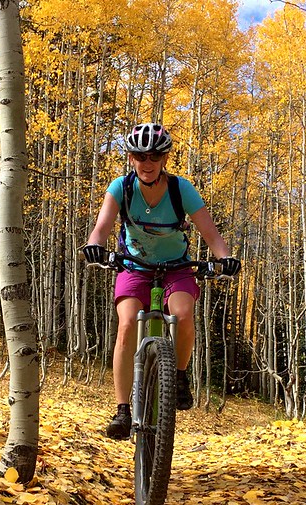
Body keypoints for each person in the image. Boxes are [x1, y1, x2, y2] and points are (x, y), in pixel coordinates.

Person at [84, 122, 241, 440]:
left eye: (155, 155)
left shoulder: (180, 189)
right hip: (134, 266)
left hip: (176, 268)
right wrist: (95, 246)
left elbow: (210, 233)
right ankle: (122, 411)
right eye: (140, 156)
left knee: (183, 316)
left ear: (165, 158)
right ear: (131, 159)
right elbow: (102, 226)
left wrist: (224, 257)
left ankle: (178, 376)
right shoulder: (121, 188)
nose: (147, 162)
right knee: (127, 324)